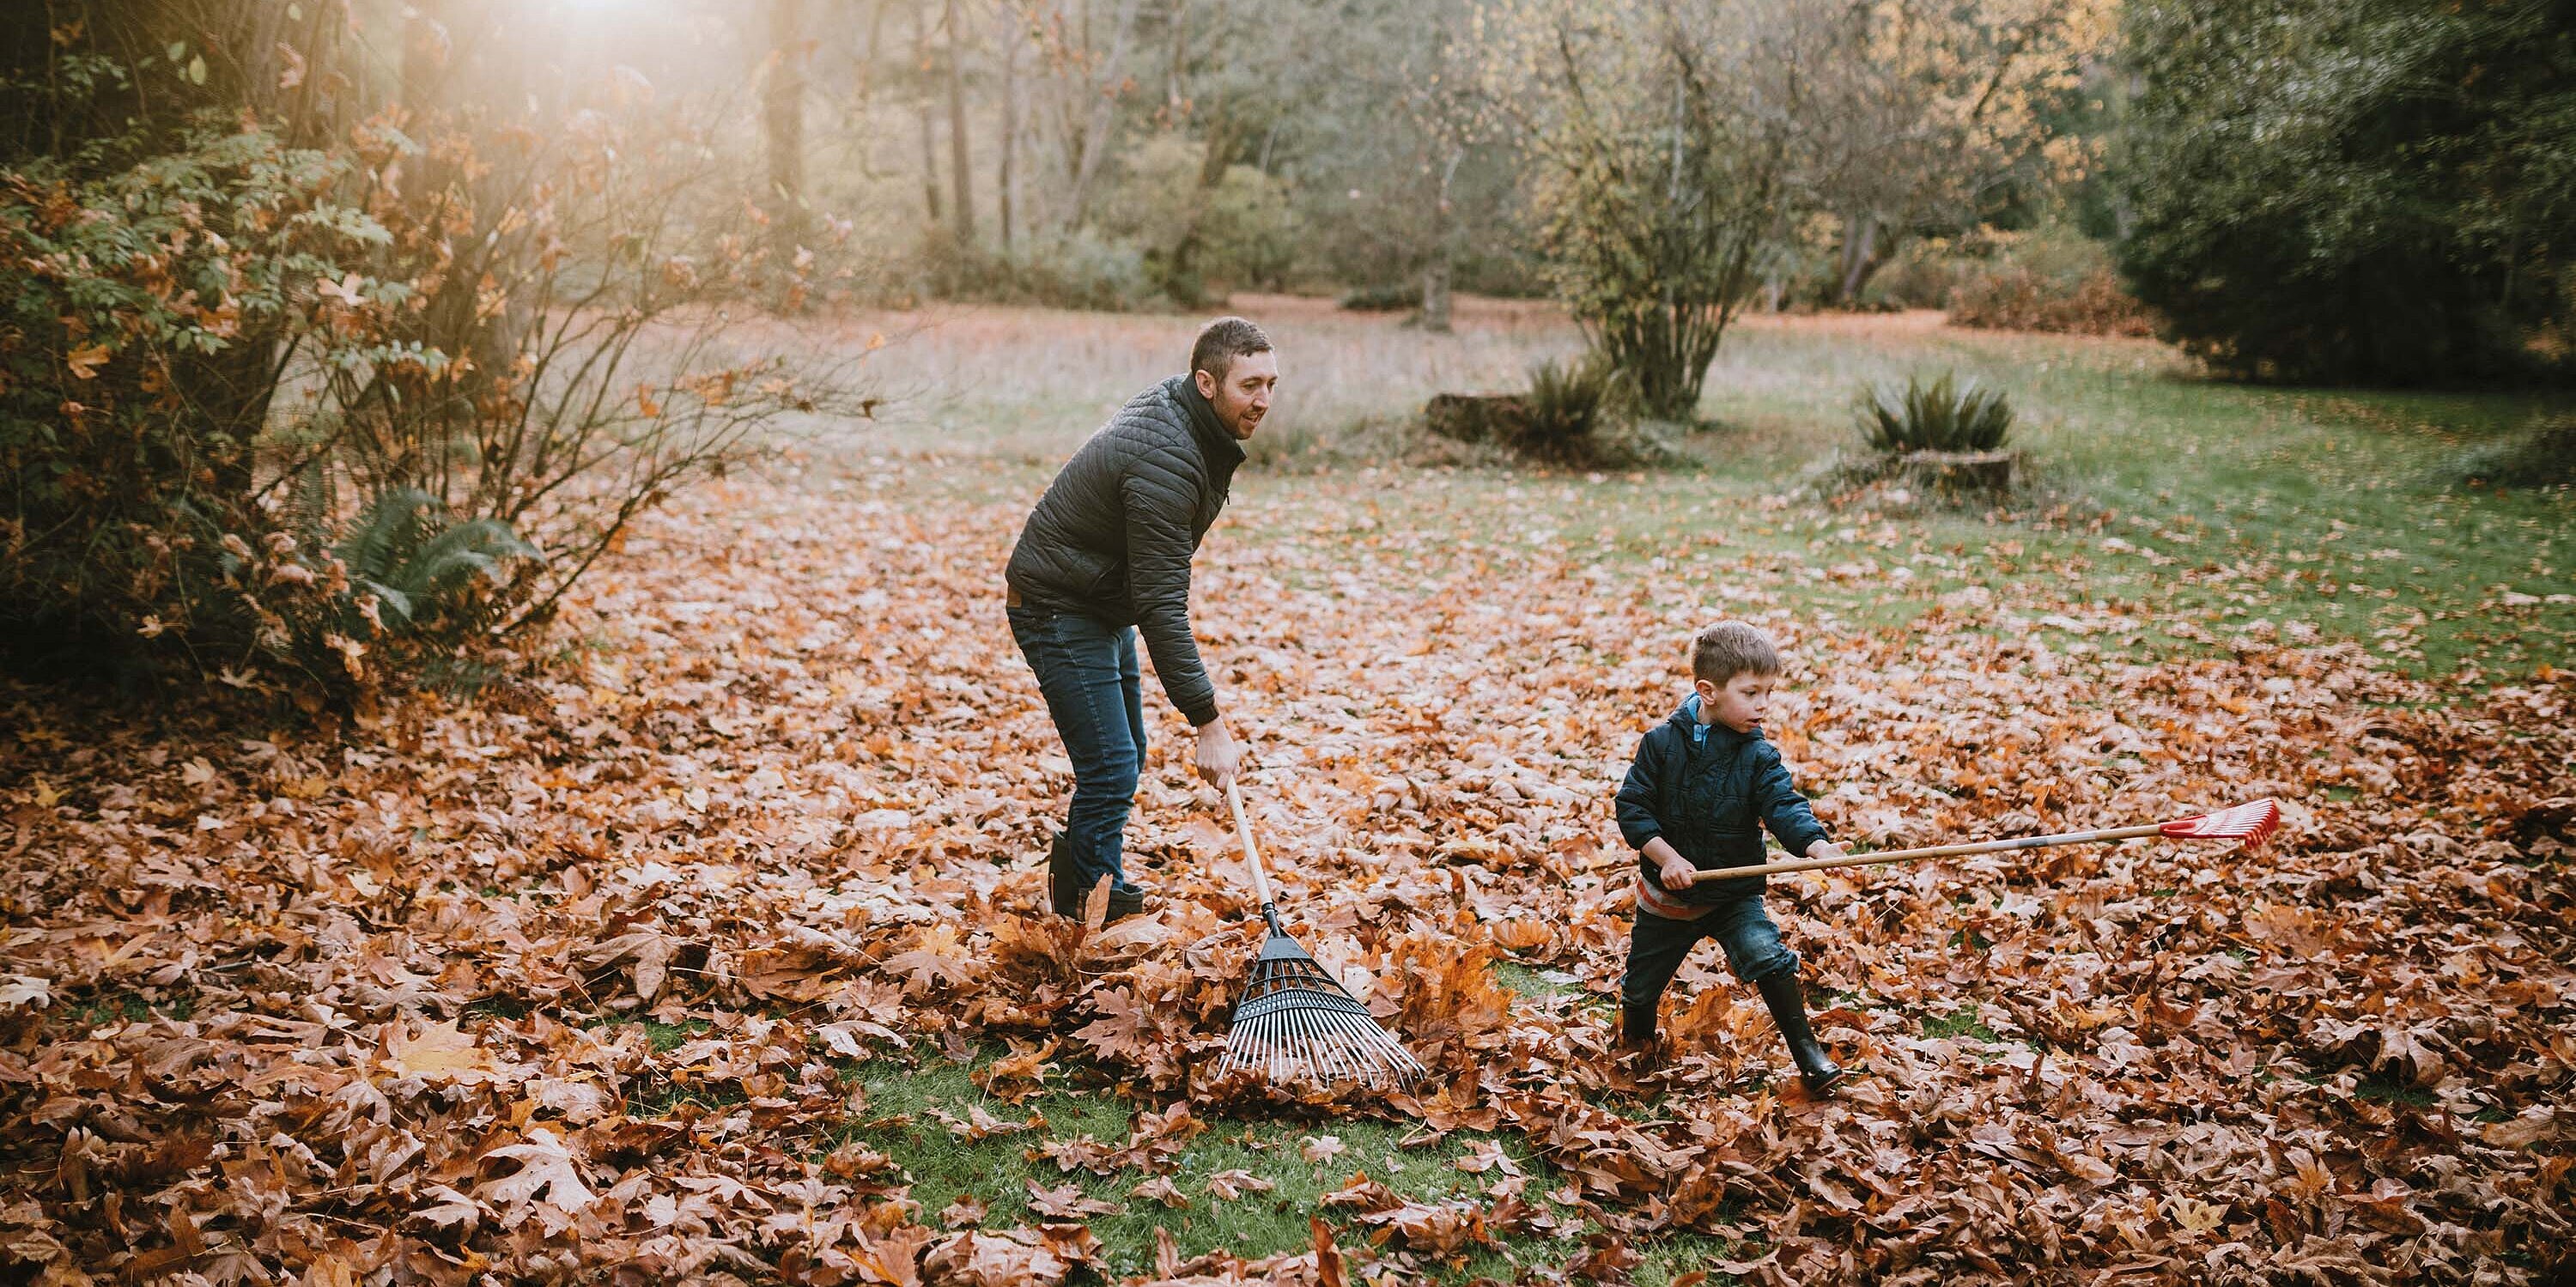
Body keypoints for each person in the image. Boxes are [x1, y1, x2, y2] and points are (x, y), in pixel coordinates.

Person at [1004, 317, 1276, 921]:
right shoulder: (1169, 461)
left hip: (1094, 596)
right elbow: (1161, 606)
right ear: (1206, 382)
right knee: (1111, 764)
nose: (1262, 401)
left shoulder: (1186, 419)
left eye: (1270, 385)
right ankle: (1095, 908)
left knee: (1124, 751)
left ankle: (1084, 888)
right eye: (1249, 385)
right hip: (1057, 604)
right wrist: (1209, 722)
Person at [1613, 620, 1850, 1093]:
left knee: (1768, 956)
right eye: (1750, 692)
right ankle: (1636, 1043)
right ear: (1708, 691)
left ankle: (1806, 1050)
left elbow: (1783, 805)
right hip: (1669, 896)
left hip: (1732, 895)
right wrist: (1667, 859)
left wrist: (1815, 844)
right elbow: (1632, 809)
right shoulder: (1660, 746)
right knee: (1641, 986)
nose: (1763, 705)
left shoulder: (1758, 755)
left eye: (1769, 692)